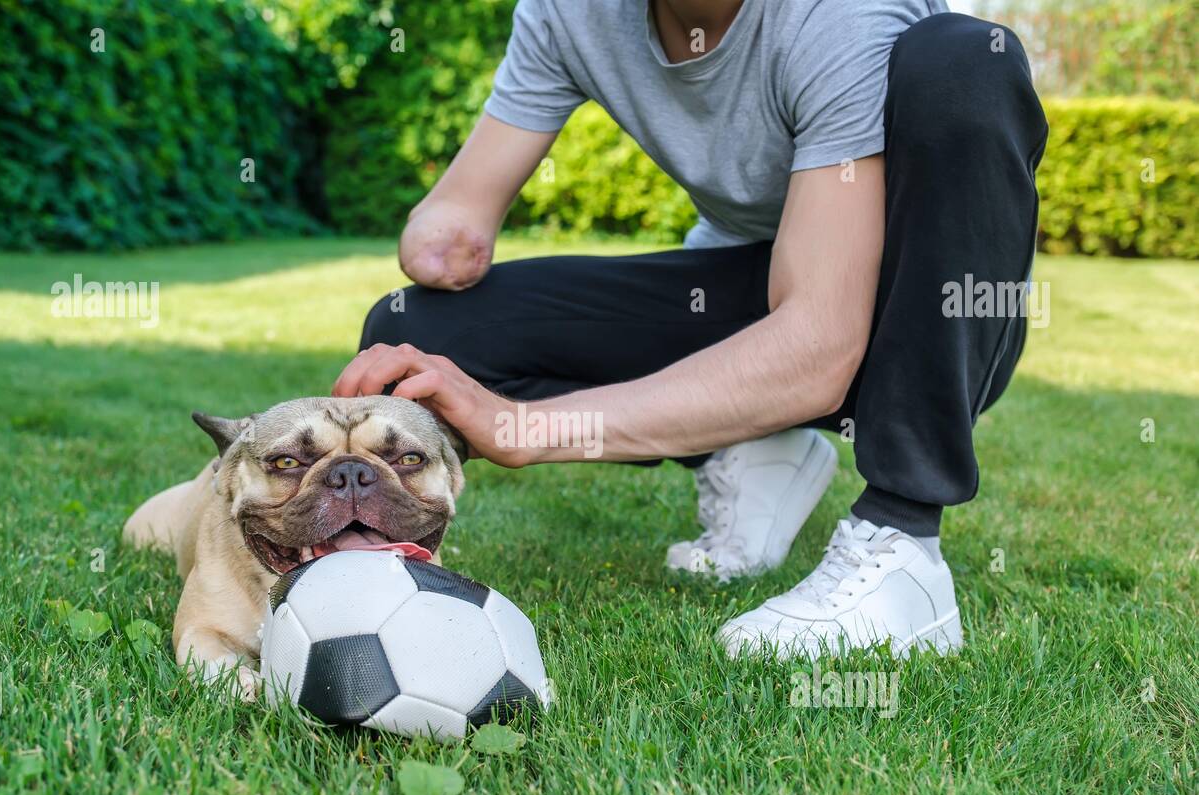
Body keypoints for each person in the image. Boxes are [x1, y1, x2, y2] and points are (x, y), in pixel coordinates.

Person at [334, 0, 1048, 659]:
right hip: (748, 295)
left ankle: (903, 538)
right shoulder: (569, 11)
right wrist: (439, 240)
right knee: (415, 335)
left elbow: (818, 347)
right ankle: (754, 446)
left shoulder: (838, 14)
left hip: (916, 309)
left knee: (965, 59)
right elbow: (456, 214)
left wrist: (524, 427)